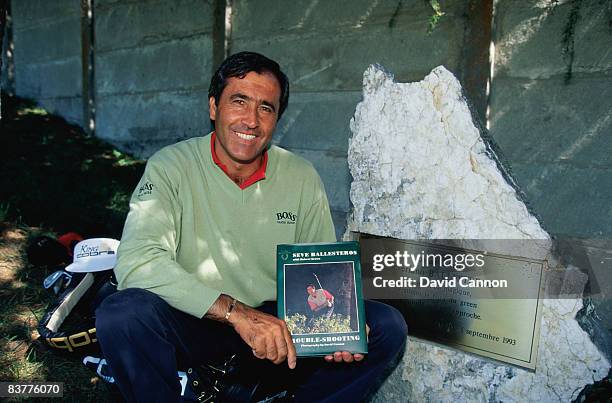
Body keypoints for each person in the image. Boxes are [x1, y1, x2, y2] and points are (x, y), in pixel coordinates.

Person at [95, 51, 407, 402]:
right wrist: (235, 313)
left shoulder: (301, 176)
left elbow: (316, 272)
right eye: (239, 101)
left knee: (384, 327)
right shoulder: (171, 166)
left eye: (266, 108)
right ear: (213, 107)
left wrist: (338, 330)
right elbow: (137, 261)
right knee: (122, 314)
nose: (251, 120)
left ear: (277, 120)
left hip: (275, 331)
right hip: (197, 319)